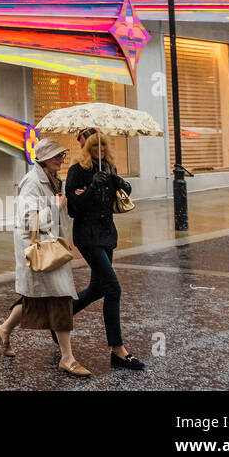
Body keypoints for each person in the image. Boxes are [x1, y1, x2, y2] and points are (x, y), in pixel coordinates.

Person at [0, 138, 89, 376]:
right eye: (55, 155)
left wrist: (71, 198)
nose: (60, 159)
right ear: (42, 157)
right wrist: (55, 207)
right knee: (60, 298)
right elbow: (27, 220)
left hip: (53, 247)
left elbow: (58, 209)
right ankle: (67, 357)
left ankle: (4, 329)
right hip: (40, 250)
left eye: (62, 155)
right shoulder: (32, 182)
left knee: (37, 300)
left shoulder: (54, 179)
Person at [65, 132, 145, 371]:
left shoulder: (109, 167)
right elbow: (73, 209)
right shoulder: (76, 171)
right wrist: (90, 188)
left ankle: (59, 318)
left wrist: (121, 183)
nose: (99, 148)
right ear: (86, 147)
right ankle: (118, 350)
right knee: (113, 288)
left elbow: (117, 199)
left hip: (107, 233)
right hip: (87, 236)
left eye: (103, 144)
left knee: (97, 288)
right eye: (94, 145)